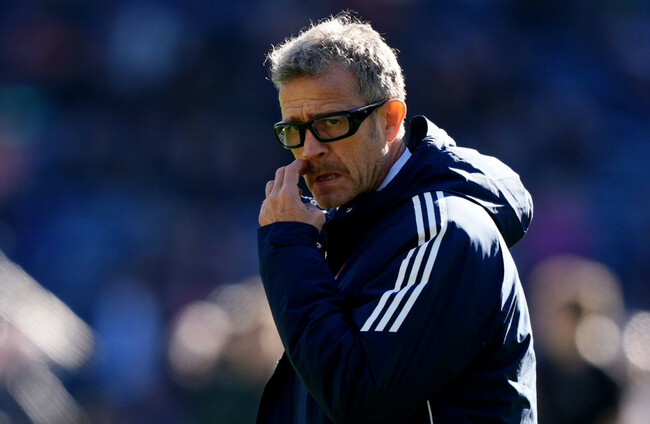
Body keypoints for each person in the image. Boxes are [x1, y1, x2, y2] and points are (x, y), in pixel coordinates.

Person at [257, 12, 536, 424]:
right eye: (294, 130)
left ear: (390, 120)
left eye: (331, 123)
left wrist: (288, 247)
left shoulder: (441, 229)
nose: (309, 150)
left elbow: (357, 397)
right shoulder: (356, 222)